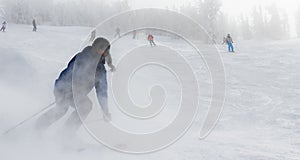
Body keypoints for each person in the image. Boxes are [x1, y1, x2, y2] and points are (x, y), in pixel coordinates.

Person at [35, 37, 115, 134]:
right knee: (62, 109)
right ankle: (38, 127)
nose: (106, 53)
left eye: (108, 51)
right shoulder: (83, 57)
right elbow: (70, 73)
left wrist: (105, 110)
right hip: (64, 89)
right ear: (97, 49)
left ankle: (67, 134)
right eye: (104, 50)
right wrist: (67, 91)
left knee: (85, 106)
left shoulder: (100, 69)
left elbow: (102, 91)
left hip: (77, 93)